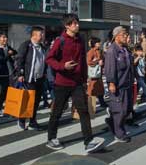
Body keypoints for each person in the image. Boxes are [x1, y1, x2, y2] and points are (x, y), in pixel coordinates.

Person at [45, 14, 104, 153]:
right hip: (62, 82)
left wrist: (85, 79)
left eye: (77, 22)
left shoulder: (80, 40)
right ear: (67, 26)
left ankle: (88, 141)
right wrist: (62, 66)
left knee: (83, 111)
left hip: (77, 83)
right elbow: (49, 59)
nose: (77, 25)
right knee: (57, 111)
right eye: (74, 23)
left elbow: (83, 61)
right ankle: (51, 138)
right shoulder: (60, 41)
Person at [105, 26, 135, 142]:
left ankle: (111, 121)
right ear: (116, 36)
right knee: (120, 111)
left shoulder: (125, 49)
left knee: (127, 109)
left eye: (127, 35)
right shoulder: (112, 50)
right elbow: (110, 68)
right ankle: (120, 133)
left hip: (127, 83)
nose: (126, 37)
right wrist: (111, 83)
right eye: (124, 35)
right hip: (117, 84)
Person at [16, 26, 47, 131]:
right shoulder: (26, 45)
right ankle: (21, 119)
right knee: (28, 100)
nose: (42, 36)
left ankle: (33, 121)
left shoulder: (42, 47)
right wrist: (20, 74)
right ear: (34, 35)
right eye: (40, 34)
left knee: (36, 101)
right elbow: (19, 59)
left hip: (40, 78)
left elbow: (44, 61)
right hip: (29, 78)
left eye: (42, 34)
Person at [0, 32, 12, 116]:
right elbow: (1, 60)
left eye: (6, 37)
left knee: (6, 92)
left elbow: (15, 52)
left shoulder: (5, 47)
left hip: (7, 72)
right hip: (0, 73)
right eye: (3, 37)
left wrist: (9, 51)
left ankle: (4, 108)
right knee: (3, 91)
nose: (5, 39)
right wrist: (8, 54)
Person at [86, 37, 107, 109]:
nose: (99, 44)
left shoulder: (100, 51)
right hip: (93, 74)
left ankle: (102, 102)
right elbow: (88, 62)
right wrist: (97, 62)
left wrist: (102, 63)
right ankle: (91, 106)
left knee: (100, 89)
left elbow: (103, 59)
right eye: (98, 43)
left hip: (99, 73)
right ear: (94, 44)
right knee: (92, 90)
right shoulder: (91, 52)